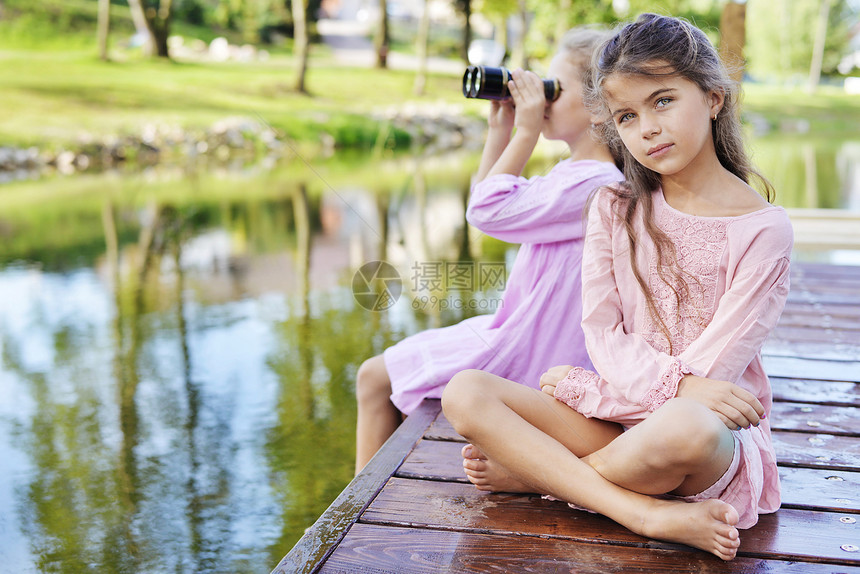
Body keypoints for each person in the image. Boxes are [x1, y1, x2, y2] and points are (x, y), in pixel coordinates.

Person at [442, 13, 793, 562]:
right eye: (627, 116)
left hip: (702, 437)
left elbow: (713, 375)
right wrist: (658, 390)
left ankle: (543, 478)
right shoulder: (613, 206)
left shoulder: (764, 229)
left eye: (663, 101)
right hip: (618, 421)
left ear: (714, 97)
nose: (647, 128)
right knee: (466, 390)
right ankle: (642, 511)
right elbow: (602, 333)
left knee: (686, 424)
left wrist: (674, 393)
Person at [354, 28, 624, 474]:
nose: (543, 99)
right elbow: (487, 206)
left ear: (600, 108)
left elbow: (487, 212)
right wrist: (501, 132)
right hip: (524, 329)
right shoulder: (578, 174)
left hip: (536, 347)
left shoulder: (596, 185)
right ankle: (359, 501)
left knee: (374, 377)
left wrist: (525, 132)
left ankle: (349, 515)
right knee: (376, 377)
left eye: (553, 90)